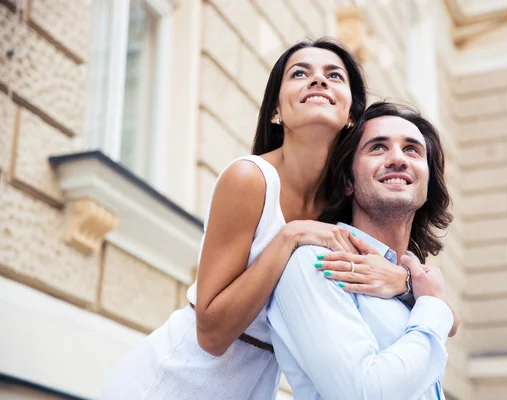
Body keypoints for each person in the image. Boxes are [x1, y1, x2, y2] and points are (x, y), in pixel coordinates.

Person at [101, 39, 418, 400]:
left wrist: (405, 281)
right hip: (171, 384)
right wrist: (290, 236)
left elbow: (420, 297)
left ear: (351, 114)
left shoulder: (345, 202)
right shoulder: (249, 179)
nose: (318, 81)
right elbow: (212, 334)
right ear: (276, 112)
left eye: (334, 75)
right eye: (300, 74)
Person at [267, 101, 457, 399]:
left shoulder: (412, 285)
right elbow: (364, 393)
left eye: (412, 150)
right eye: (378, 148)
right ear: (347, 183)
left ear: (429, 182)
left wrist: (412, 288)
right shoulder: (317, 262)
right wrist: (435, 308)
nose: (398, 159)